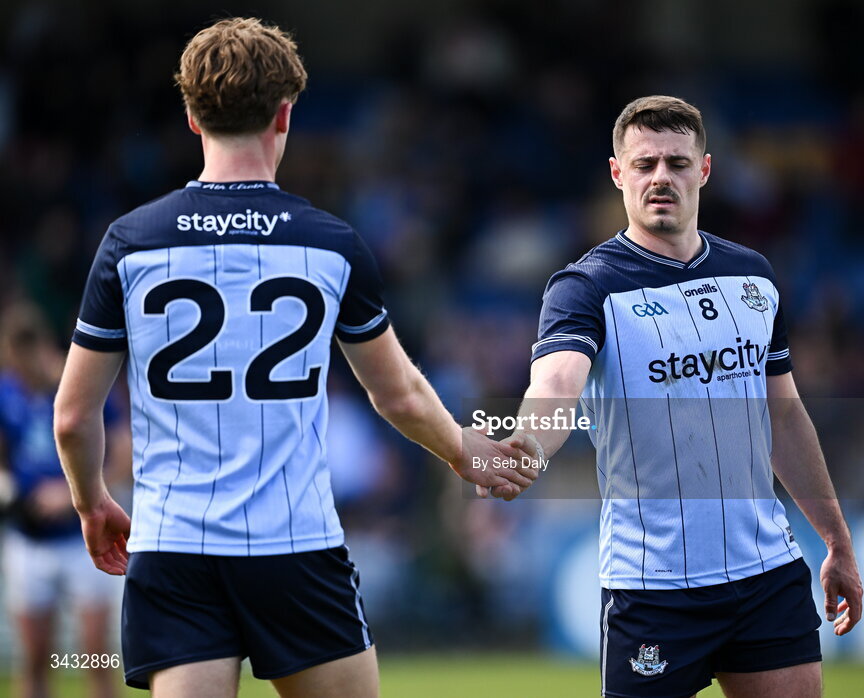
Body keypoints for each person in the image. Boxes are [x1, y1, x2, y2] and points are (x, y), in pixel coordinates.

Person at [52, 17, 534, 698]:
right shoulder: (329, 243)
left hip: (173, 547)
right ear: (285, 113)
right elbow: (395, 394)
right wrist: (463, 451)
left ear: (192, 117)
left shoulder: (130, 242)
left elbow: (73, 416)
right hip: (295, 544)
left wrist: (91, 501)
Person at [507, 96, 863, 697]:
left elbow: (784, 415)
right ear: (618, 175)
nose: (660, 178)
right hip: (653, 587)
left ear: (704, 170)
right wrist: (524, 445)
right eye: (644, 165)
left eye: (676, 162)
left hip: (767, 575)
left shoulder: (753, 276)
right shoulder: (584, 287)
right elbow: (556, 386)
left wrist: (836, 541)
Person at [0, 302, 130, 698]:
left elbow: (123, 452)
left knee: (95, 655)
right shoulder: (8, 391)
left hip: (81, 538)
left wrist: (78, 493)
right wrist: (10, 490)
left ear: (40, 347)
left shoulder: (77, 383)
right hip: (30, 537)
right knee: (35, 658)